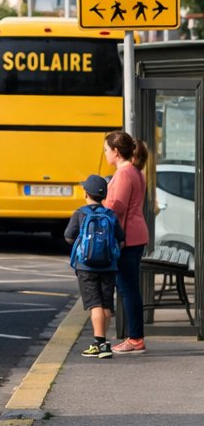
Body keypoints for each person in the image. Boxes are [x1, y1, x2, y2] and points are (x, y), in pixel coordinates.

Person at [65, 174, 124, 359]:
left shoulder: (80, 213)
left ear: (86, 193)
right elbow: (121, 240)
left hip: (86, 267)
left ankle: (100, 344)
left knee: (94, 305)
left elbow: (69, 236)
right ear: (104, 196)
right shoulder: (111, 215)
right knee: (106, 305)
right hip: (109, 267)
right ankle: (104, 342)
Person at [103, 129, 150, 353]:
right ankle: (135, 336)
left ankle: (135, 338)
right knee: (130, 288)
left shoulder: (123, 173)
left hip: (127, 238)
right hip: (136, 234)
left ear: (116, 151)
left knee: (127, 289)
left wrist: (100, 204)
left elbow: (118, 207)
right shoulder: (136, 171)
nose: (105, 154)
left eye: (106, 150)